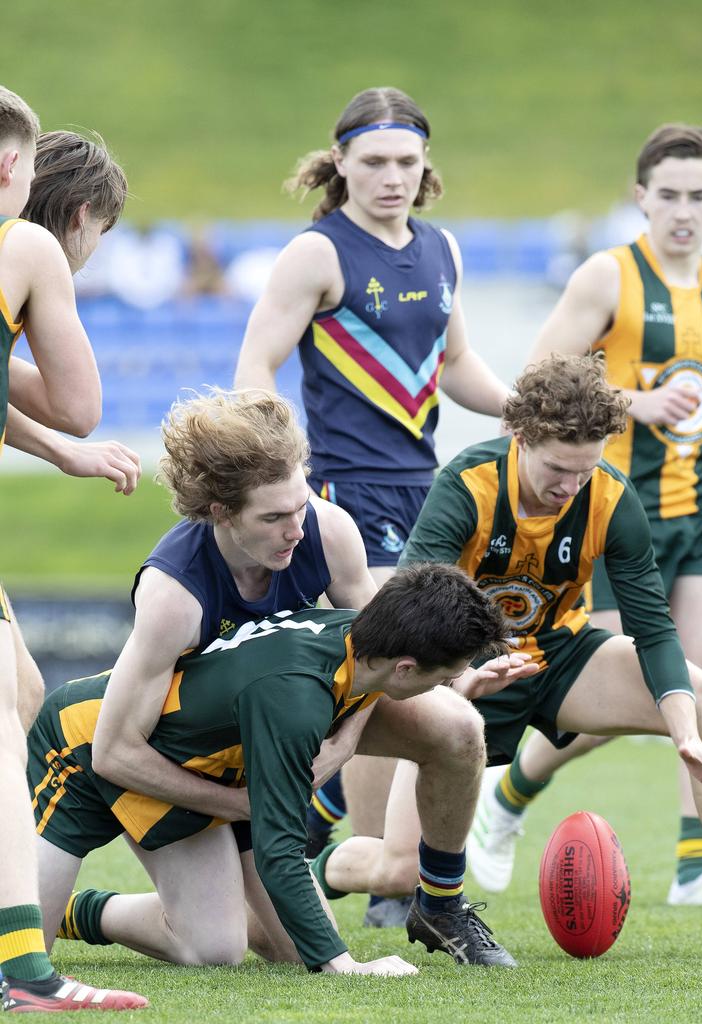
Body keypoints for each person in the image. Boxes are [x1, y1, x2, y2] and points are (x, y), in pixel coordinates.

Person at [235, 86, 511, 924]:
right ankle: (383, 879)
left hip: (424, 488)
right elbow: (255, 366)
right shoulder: (317, 254)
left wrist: (522, 409)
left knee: (420, 670)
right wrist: (283, 470)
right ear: (341, 162)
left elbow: (457, 365)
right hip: (343, 492)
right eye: (374, 162)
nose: (392, 177)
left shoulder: (442, 250)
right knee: (389, 673)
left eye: (405, 161)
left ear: (425, 164)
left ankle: (356, 848)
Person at [390, 353, 702, 955]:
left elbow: (653, 628)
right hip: (464, 670)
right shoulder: (467, 484)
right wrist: (457, 682)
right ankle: (324, 852)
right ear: (521, 437)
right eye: (558, 468)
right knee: (394, 872)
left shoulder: (611, 498)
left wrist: (684, 733)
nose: (570, 486)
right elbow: (409, 607)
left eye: (585, 470)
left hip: (560, 658)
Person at [468, 124, 702, 906]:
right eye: (669, 195)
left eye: (699, 196)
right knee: (623, 690)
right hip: (612, 517)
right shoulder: (608, 278)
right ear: (642, 198)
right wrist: (640, 403)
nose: (684, 212)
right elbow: (535, 384)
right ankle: (511, 792)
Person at [29, 564, 533, 973]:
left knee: (240, 949)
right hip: (84, 743)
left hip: (204, 768)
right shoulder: (296, 700)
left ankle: (80, 911)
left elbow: (369, 692)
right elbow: (280, 849)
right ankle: (41, 910)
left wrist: (462, 684)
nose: (442, 687)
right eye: (442, 677)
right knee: (22, 956)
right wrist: (342, 965)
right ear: (404, 667)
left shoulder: (360, 636)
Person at [0, 87, 145, 1012]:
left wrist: (59, 453)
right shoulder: (27, 245)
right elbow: (79, 399)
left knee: (20, 692)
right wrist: (70, 436)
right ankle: (24, 970)